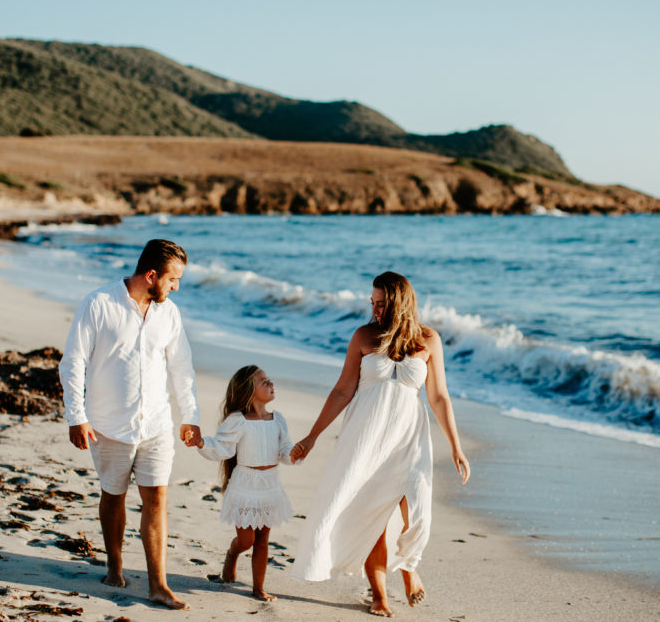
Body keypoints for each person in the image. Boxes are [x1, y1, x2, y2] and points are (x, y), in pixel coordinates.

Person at [289, 271, 470, 617]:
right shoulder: (363, 336)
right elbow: (343, 390)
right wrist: (312, 436)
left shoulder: (429, 340)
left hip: (409, 437)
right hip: (366, 437)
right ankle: (379, 595)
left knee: (417, 510)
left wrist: (456, 446)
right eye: (372, 303)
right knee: (370, 512)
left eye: (382, 304)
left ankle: (408, 565)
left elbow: (439, 397)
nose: (375, 310)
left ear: (401, 303)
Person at [58, 239, 201, 610]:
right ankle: (115, 564)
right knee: (113, 495)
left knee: (157, 498)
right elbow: (73, 361)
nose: (176, 287)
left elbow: (181, 367)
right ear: (151, 275)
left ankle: (158, 585)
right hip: (109, 426)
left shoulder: (169, 314)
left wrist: (191, 416)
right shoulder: (98, 304)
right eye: (172, 279)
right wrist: (76, 416)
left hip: (156, 424)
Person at [186, 365, 295, 602]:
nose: (271, 383)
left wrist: (295, 454)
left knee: (263, 541)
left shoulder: (277, 419)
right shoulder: (238, 421)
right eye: (264, 381)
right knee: (247, 541)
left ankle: (258, 588)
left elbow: (285, 451)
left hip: (269, 486)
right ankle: (233, 553)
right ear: (248, 390)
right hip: (245, 486)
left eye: (270, 379)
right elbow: (222, 448)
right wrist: (201, 442)